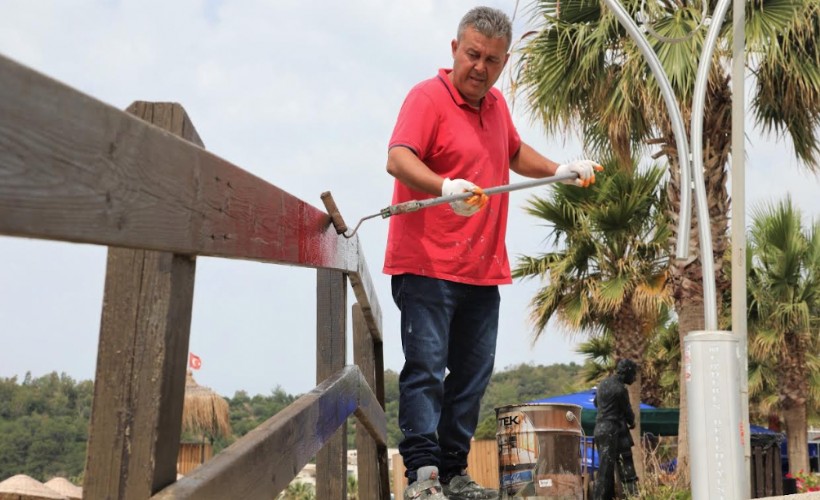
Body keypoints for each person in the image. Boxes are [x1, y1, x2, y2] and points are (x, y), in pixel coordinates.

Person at [384, 6, 601, 500]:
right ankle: (423, 478)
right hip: (426, 265)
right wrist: (444, 185)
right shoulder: (426, 97)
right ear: (455, 49)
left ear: (503, 64)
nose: (480, 67)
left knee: (472, 377)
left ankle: (455, 472)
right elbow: (398, 157)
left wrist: (559, 169)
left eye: (492, 60)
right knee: (425, 370)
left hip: (482, 270)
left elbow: (514, 152)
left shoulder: (497, 106)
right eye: (473, 54)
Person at [592, 359, 639, 499]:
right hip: (611, 429)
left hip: (599, 428)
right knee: (606, 470)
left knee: (606, 467)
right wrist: (632, 422)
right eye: (634, 374)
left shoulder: (603, 384)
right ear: (627, 372)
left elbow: (596, 403)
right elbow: (627, 411)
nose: (635, 378)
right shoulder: (620, 389)